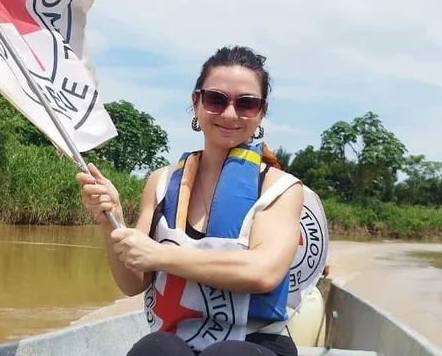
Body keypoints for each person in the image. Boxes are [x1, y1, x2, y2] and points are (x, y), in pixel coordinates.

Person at [76, 46, 305, 356]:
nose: (229, 113)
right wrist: (111, 220)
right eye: (216, 99)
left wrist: (159, 256)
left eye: (246, 104)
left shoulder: (280, 188)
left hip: (254, 345)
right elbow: (132, 283)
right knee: (154, 349)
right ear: (196, 102)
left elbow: (262, 272)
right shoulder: (161, 182)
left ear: (261, 112)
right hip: (179, 341)